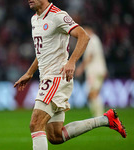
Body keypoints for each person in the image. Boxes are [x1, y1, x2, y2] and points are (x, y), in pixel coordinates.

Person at [14, 0, 127, 149]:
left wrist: (71, 62)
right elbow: (43, 52)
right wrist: (29, 73)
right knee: (55, 136)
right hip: (46, 78)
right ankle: (106, 120)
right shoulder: (34, 19)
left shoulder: (58, 16)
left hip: (56, 77)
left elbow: (84, 36)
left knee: (35, 123)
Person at [75, 25, 108, 117]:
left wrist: (80, 68)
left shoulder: (92, 40)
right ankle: (98, 115)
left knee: (92, 93)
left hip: (94, 71)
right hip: (98, 70)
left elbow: (90, 56)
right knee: (92, 93)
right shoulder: (96, 39)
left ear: (88, 30)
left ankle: (99, 116)